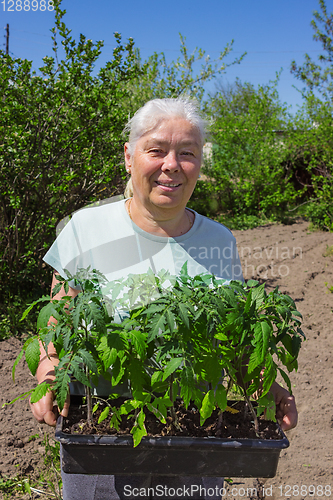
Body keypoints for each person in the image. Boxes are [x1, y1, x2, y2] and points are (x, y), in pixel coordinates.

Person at [31, 97, 297, 500]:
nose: (171, 165)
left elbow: (234, 333)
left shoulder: (218, 240)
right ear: (129, 157)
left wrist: (264, 382)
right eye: (156, 150)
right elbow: (57, 320)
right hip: (101, 427)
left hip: (196, 430)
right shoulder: (85, 228)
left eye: (186, 153)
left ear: (199, 165)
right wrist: (48, 369)